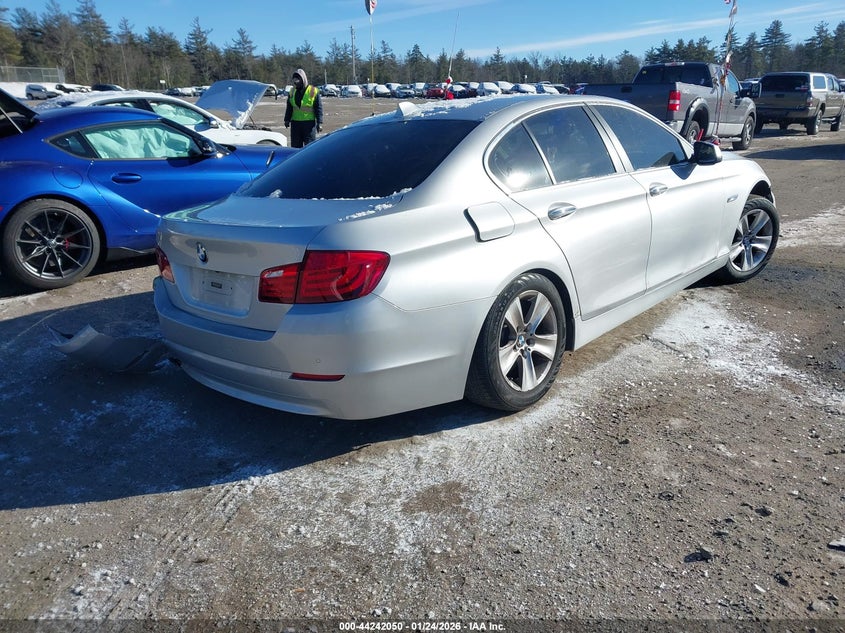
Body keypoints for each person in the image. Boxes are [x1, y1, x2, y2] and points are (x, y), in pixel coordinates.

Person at [284, 69, 323, 148]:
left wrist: (320, 122)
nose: (296, 82)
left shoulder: (313, 91)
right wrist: (287, 119)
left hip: (309, 125)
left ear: (303, 79)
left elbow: (318, 108)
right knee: (295, 148)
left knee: (310, 148)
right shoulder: (292, 91)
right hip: (295, 124)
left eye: (298, 80)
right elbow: (289, 107)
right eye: (294, 80)